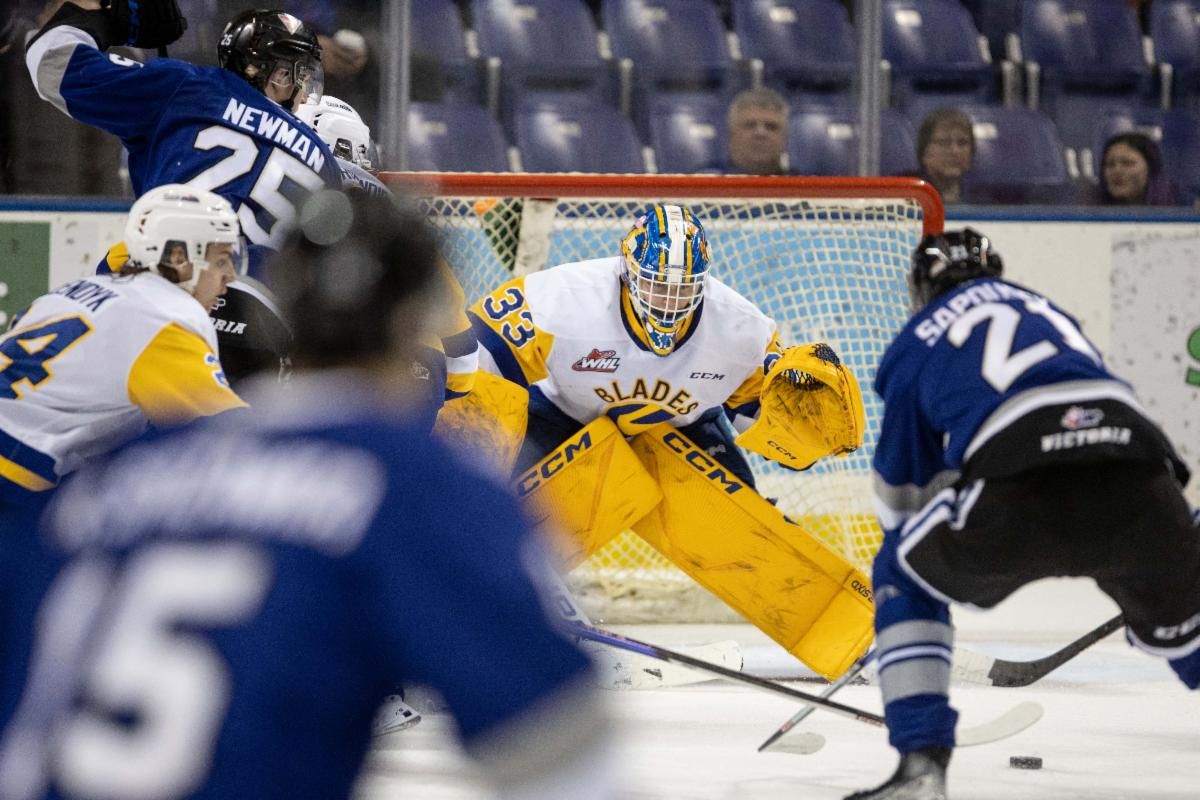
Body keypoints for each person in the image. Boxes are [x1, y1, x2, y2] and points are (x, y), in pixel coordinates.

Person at [0, 189, 616, 800]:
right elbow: (564, 769)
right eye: (217, 257)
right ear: (417, 318)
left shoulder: (115, 479)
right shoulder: (417, 484)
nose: (226, 272)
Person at [851, 228, 1200, 800]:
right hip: (1141, 479)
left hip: (1020, 492)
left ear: (921, 291)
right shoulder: (1050, 311)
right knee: (1185, 620)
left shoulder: (917, 338)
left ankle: (921, 768)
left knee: (901, 568)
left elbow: (900, 500)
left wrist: (902, 604)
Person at [468, 203, 877, 681]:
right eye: (657, 285)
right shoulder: (560, 299)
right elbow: (474, 362)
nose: (668, 302)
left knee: (749, 528)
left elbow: (762, 427)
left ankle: (852, 637)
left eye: (683, 289)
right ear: (626, 268)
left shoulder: (744, 331)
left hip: (681, 428)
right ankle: (473, 614)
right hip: (565, 420)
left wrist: (803, 433)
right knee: (498, 524)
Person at [0, 184, 247, 735]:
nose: (230, 275)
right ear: (179, 257)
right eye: (224, 257)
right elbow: (239, 443)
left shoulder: (76, 290)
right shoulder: (169, 318)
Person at [702, 87, 793, 175]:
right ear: (731, 134)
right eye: (750, 125)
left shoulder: (801, 186)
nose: (760, 133)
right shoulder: (700, 184)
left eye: (771, 127)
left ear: (785, 137)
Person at [1088, 131, 1192, 207]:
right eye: (1110, 164)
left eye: (1127, 163)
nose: (1117, 171)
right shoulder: (1089, 207)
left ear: (1151, 168)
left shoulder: (1186, 206)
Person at [913, 108, 976, 204]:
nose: (955, 151)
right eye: (944, 143)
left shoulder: (982, 203)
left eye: (962, 143)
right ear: (924, 152)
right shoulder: (904, 194)